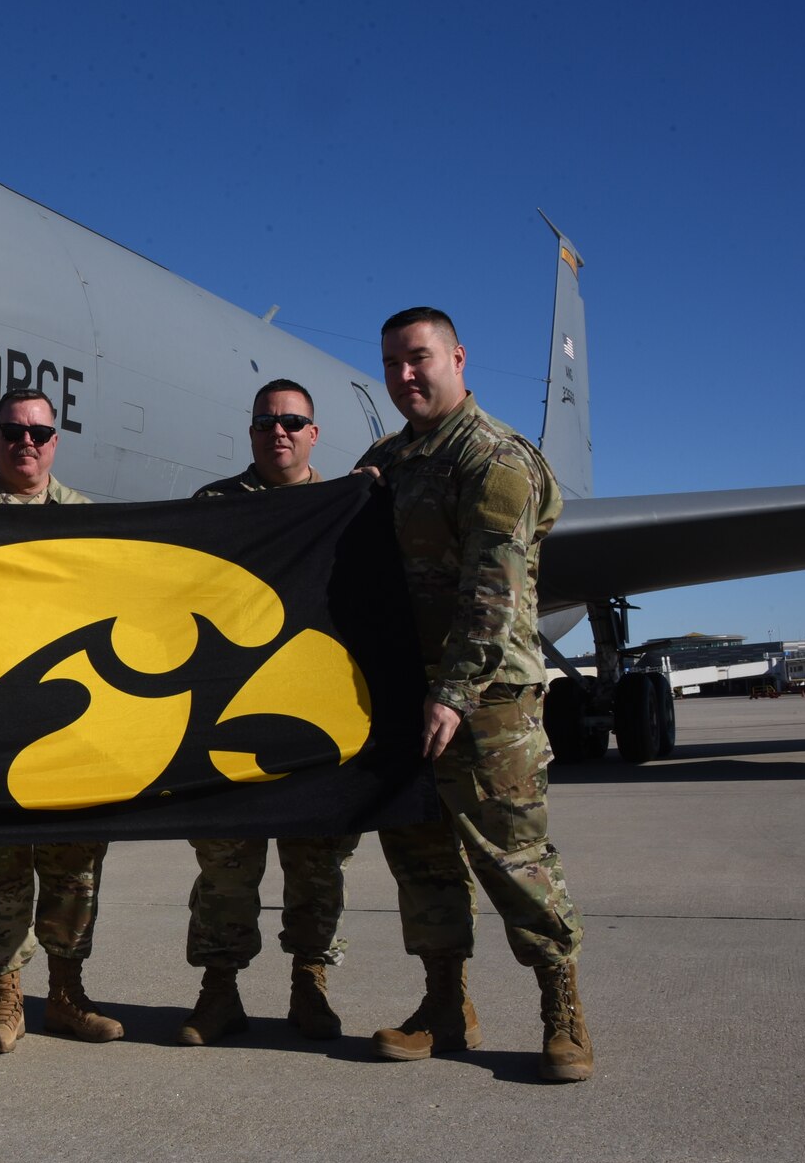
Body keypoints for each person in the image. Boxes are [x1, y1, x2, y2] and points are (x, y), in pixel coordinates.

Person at [354, 308, 592, 1082]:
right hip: (406, 695)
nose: (404, 376)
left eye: (418, 358)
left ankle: (563, 1010)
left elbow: (494, 592)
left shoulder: (494, 460)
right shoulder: (387, 459)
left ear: (457, 357)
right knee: (422, 860)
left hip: (488, 699)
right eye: (391, 363)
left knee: (514, 857)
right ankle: (445, 1006)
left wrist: (452, 692)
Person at [176, 379, 361, 1046]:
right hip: (228, 721)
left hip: (315, 722)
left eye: (291, 421)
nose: (277, 431)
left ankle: (309, 985)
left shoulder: (347, 506)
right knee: (226, 866)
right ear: (250, 432)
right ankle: (218, 990)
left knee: (316, 865)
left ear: (314, 433)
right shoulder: (214, 508)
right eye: (264, 421)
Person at [0, 388, 122, 1053]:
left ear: (57, 441)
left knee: (73, 865)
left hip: (72, 729)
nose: (27, 444)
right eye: (13, 433)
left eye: (40, 433)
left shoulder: (90, 523)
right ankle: (5, 995)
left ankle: (68, 992)